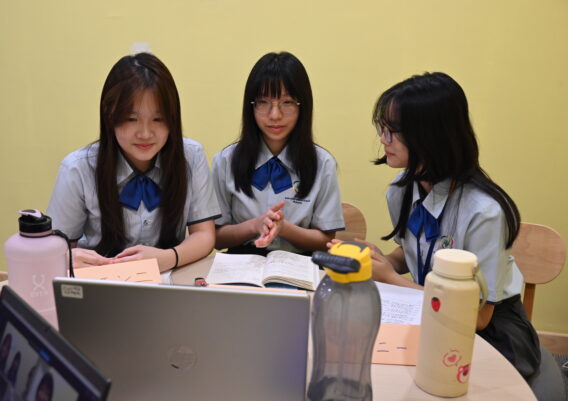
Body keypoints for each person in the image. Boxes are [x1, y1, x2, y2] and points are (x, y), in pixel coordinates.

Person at [358, 72, 540, 378]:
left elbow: (479, 317)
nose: (383, 139)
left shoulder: (483, 212)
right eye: (382, 128)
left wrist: (389, 278)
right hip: (429, 310)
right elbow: (413, 251)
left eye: (393, 131)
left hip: (490, 331)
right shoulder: (400, 190)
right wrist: (383, 260)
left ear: (430, 136)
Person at [47, 53, 220, 271]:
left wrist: (167, 258)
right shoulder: (78, 168)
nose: (145, 134)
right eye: (131, 119)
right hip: (101, 282)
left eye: (158, 119)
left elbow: (204, 235)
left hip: (168, 278)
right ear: (109, 115)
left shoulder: (191, 156)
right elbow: (56, 250)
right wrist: (66, 258)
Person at [212, 52, 344, 256]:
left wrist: (285, 229)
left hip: (299, 265)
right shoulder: (225, 161)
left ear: (303, 106)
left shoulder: (322, 163)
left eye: (287, 102)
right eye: (263, 102)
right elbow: (217, 238)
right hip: (241, 264)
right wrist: (255, 225)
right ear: (251, 106)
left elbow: (326, 240)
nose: (275, 115)